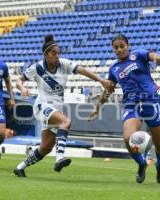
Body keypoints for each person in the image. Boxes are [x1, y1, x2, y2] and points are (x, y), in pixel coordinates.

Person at [13, 35, 111, 177]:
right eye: (54, 53)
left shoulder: (63, 64)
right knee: (66, 121)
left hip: (56, 108)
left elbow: (82, 70)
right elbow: (19, 80)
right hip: (42, 106)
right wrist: (22, 88)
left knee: (45, 148)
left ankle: (20, 167)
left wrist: (101, 80)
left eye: (58, 53)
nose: (57, 56)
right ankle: (59, 158)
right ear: (46, 54)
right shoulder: (38, 67)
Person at [89, 34, 160, 184]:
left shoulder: (138, 54)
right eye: (116, 47)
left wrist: (156, 59)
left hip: (151, 101)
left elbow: (155, 57)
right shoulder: (114, 69)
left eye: (122, 46)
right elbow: (108, 90)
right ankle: (142, 163)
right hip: (132, 105)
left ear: (127, 46)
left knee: (159, 143)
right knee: (127, 138)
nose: (119, 50)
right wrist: (97, 108)